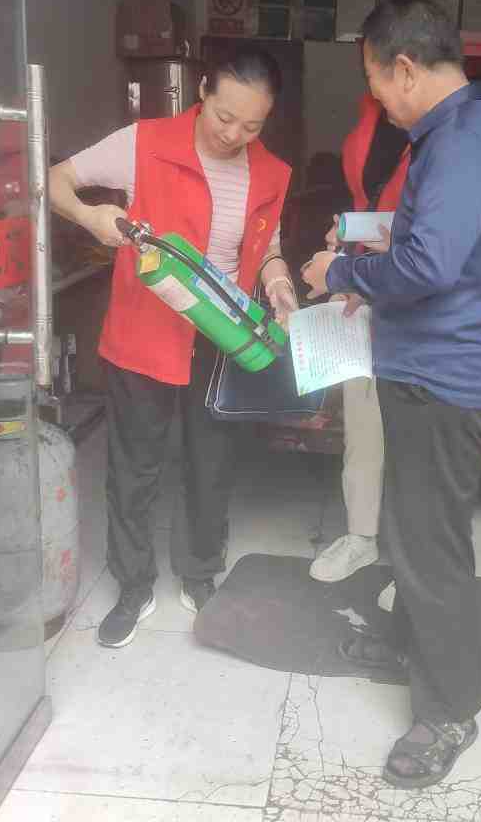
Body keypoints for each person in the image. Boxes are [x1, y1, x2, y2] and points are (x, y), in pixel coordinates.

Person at [302, 0, 481, 789]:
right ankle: (411, 648)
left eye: (375, 84)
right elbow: (431, 237)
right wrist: (364, 245)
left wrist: (343, 272)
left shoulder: (461, 144)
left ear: (404, 68)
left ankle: (452, 710)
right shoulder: (463, 133)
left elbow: (429, 264)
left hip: (445, 383)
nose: (379, 103)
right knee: (411, 533)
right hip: (429, 375)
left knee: (432, 554)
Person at [48, 49, 296, 648]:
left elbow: (265, 244)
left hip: (222, 337)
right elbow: (56, 181)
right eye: (225, 117)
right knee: (135, 468)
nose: (234, 135)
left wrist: (279, 280)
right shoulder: (145, 142)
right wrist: (90, 217)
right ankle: (133, 586)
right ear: (202, 90)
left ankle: (200, 570)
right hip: (143, 334)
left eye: (253, 125)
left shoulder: (271, 173)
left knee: (211, 462)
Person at [308, 93, 410, 583]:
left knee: (418, 437)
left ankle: (414, 566)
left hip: (422, 311)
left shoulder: (451, 140)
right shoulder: (370, 125)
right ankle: (362, 538)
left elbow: (435, 241)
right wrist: (346, 238)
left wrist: (355, 254)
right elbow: (377, 212)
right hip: (366, 293)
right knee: (364, 424)